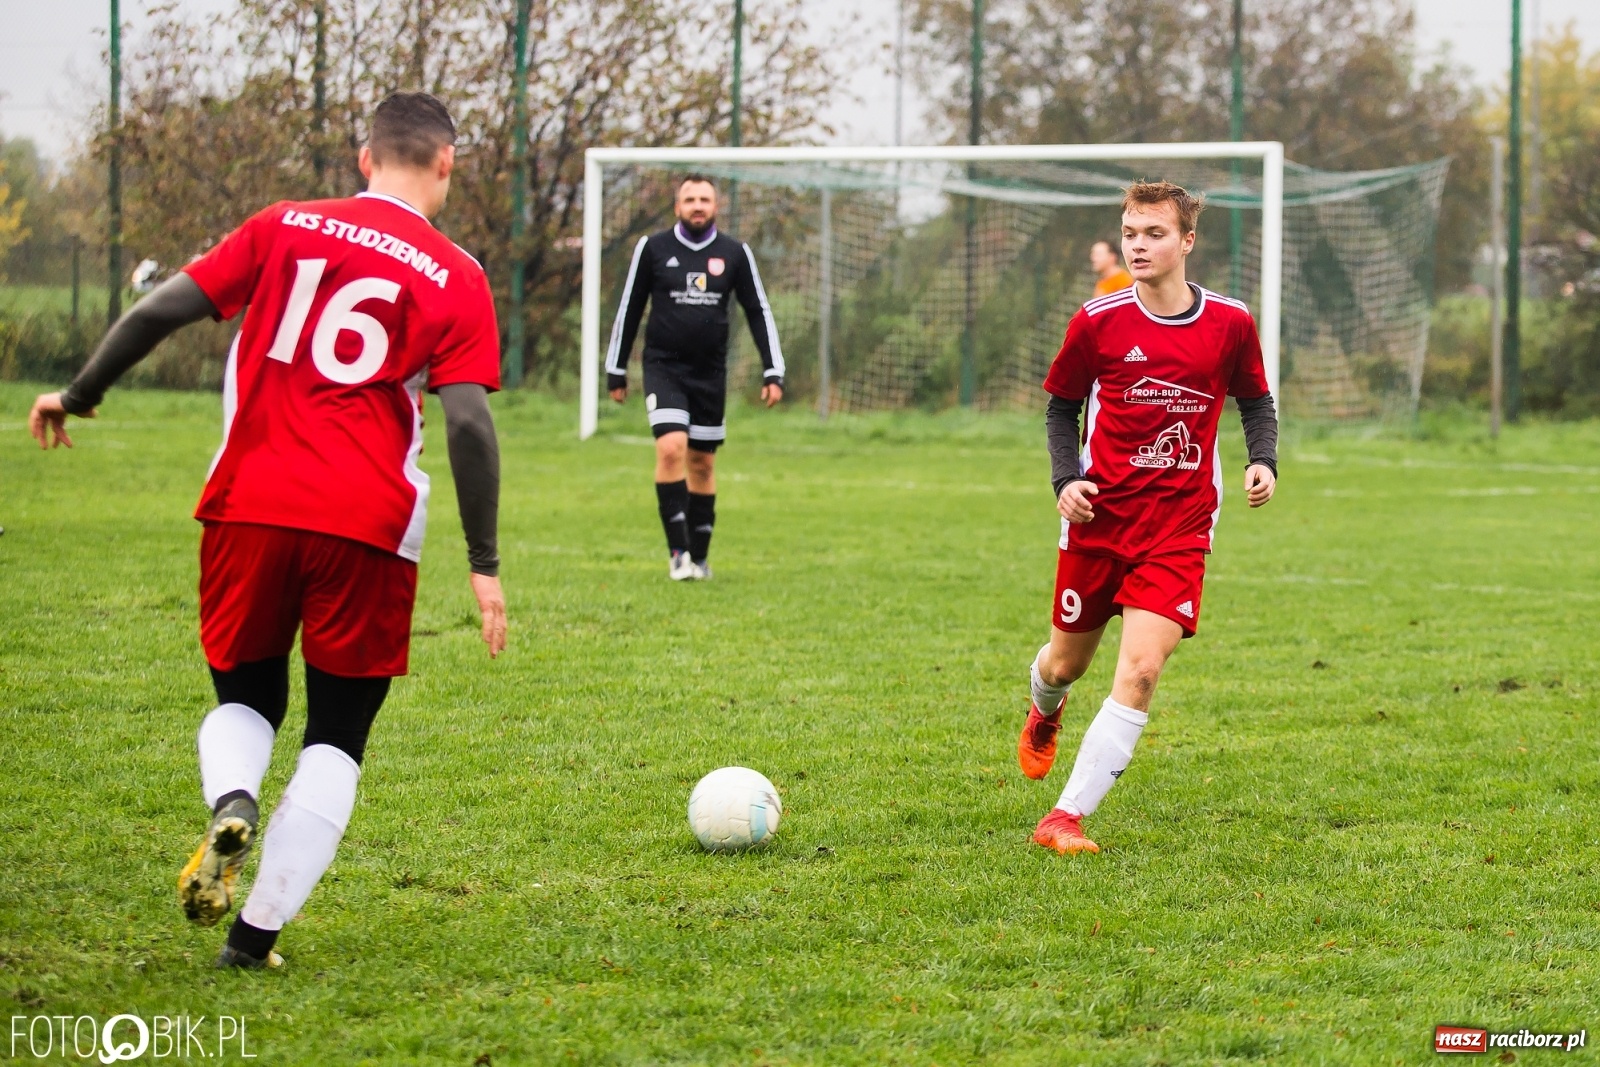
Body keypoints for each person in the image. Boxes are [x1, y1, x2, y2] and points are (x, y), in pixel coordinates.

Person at [26, 92, 507, 967]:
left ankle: (234, 799)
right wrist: (485, 563)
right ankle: (251, 943)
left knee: (245, 697)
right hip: (367, 525)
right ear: (446, 164)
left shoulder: (283, 224)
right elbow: (470, 425)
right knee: (337, 734)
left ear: (365, 158)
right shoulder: (458, 273)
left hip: (248, 503)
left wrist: (79, 392)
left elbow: (156, 313)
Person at [1017, 181, 1279, 855]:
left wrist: (1263, 460)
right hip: (1099, 521)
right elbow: (1059, 408)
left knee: (1139, 671)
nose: (1139, 243)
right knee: (1064, 664)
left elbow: (1254, 399)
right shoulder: (1097, 320)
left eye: (1154, 233)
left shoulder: (1230, 323)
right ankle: (1044, 710)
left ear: (1186, 241)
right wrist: (1065, 478)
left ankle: (1064, 816)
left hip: (1180, 525)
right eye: (1131, 231)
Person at [605, 174, 785, 580]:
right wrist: (616, 369)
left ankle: (699, 558)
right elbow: (629, 308)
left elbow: (759, 311)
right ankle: (678, 554)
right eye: (690, 199)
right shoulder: (652, 248)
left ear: (716, 206)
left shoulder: (735, 253)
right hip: (664, 367)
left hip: (710, 372)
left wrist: (773, 370)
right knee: (671, 448)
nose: (697, 205)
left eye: (705, 199)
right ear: (677, 207)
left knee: (702, 462)